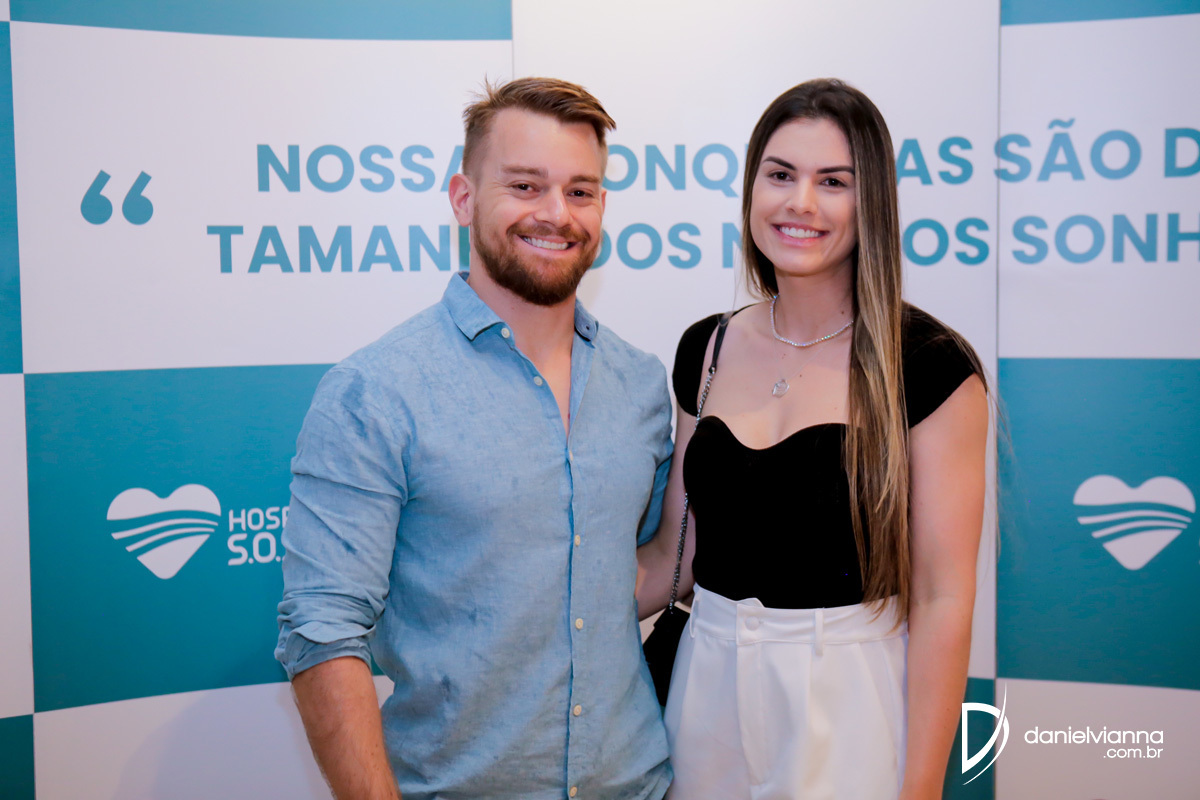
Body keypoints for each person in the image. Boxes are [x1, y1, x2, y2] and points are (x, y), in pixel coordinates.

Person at [276, 77, 675, 800]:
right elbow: (323, 632)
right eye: (525, 186)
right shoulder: (375, 391)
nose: (556, 214)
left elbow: (635, 569)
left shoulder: (641, 384)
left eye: (581, 191)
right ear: (463, 199)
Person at [636, 78, 988, 800]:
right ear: (751, 189)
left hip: (849, 698)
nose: (800, 203)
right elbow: (677, 553)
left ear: (872, 203)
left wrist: (921, 786)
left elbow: (943, 598)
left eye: (833, 182)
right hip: (703, 690)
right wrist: (540, 612)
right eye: (780, 175)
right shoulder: (706, 348)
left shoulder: (928, 364)